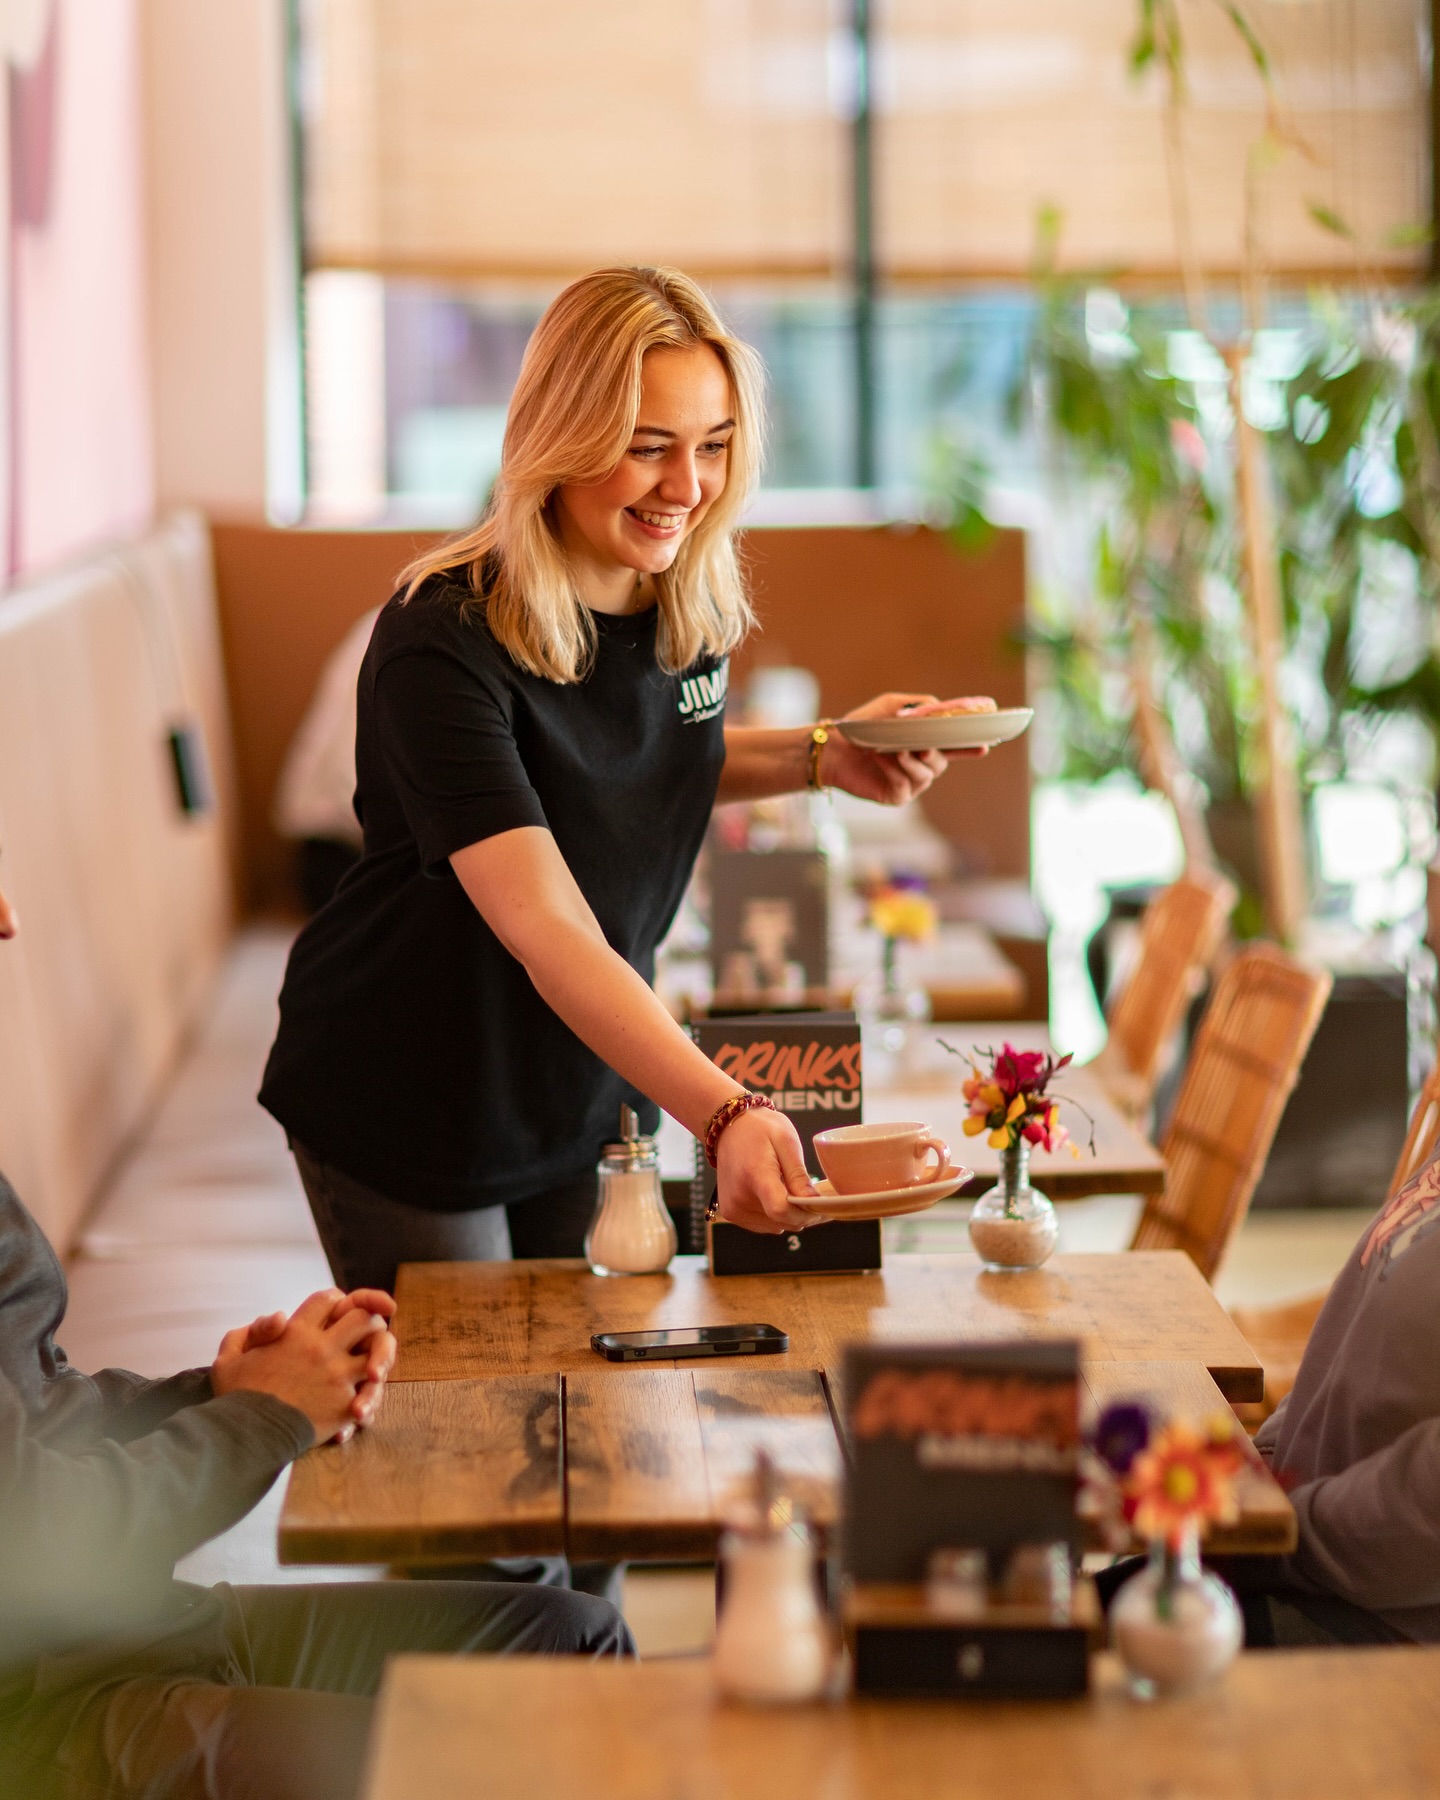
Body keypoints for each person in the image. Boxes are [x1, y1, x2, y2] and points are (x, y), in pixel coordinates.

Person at [259, 264, 983, 1295]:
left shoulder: (681, 604)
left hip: (585, 1083)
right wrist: (726, 1109)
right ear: (561, 435)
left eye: (713, 447)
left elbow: (639, 760)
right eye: (648, 448)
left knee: (605, 1403)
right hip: (413, 1090)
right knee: (470, 1419)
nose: (686, 486)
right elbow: (546, 923)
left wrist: (826, 754)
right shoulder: (440, 638)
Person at [0, 863, 632, 1800]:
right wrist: (266, 1419)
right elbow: (37, 1542)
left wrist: (217, 1391)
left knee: (573, 1640)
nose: (9, 913)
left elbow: (40, 1410)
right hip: (59, 1716)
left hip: (139, 1631)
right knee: (504, 1751)